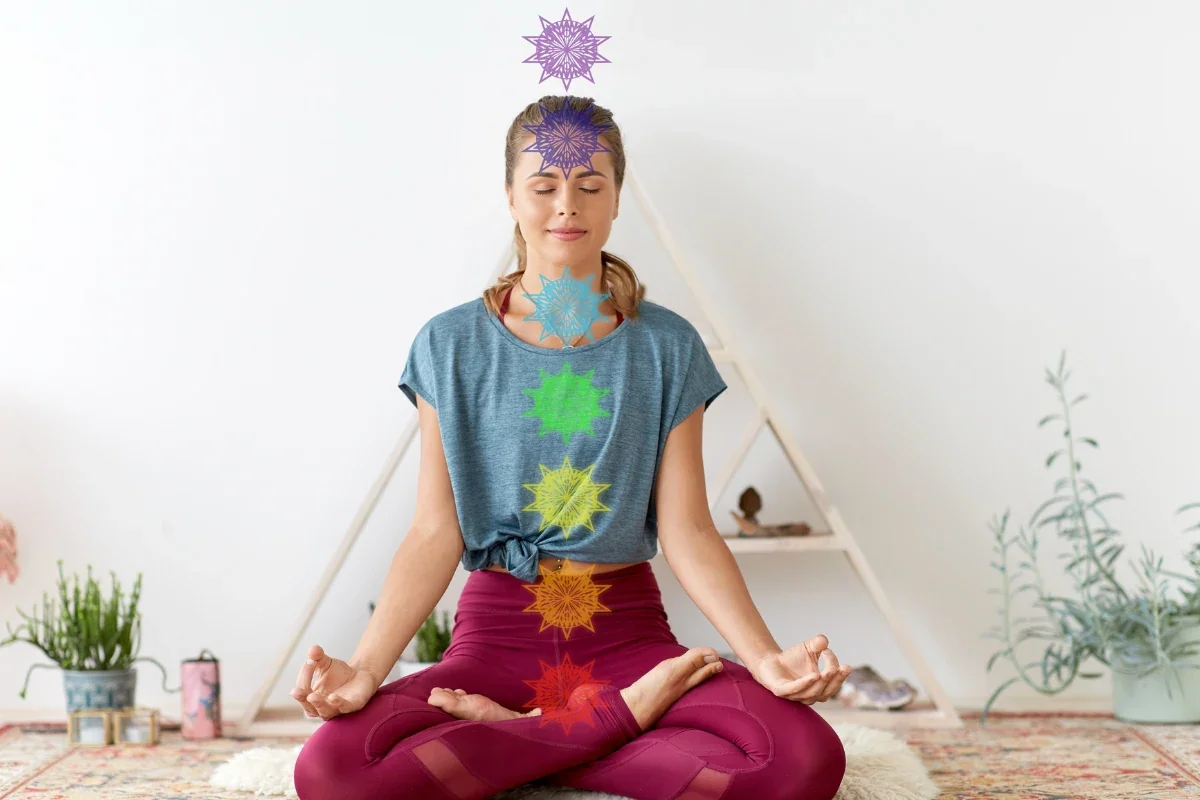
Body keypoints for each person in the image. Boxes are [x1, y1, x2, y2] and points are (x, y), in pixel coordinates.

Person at [291, 95, 851, 800]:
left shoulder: (667, 346)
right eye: (544, 186)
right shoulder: (450, 344)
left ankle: (523, 737)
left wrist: (766, 659)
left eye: (590, 186)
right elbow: (435, 530)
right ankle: (614, 724)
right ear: (510, 196)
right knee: (329, 774)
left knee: (803, 760)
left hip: (629, 638)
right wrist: (368, 670)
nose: (567, 205)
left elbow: (689, 529)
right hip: (495, 637)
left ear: (616, 200)